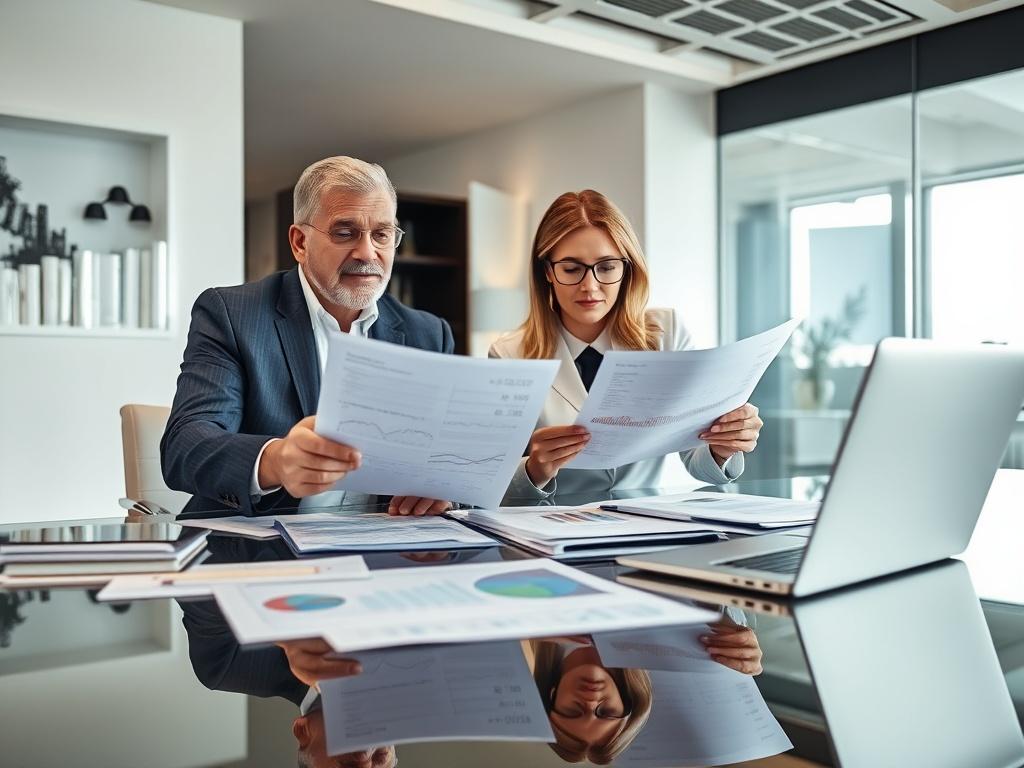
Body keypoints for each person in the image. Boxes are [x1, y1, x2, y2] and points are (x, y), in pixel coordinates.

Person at [161, 156, 452, 518]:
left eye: (382, 234)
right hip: (259, 551)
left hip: (388, 548)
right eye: (345, 233)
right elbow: (186, 445)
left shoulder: (427, 333)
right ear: (300, 242)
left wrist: (441, 492)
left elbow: (447, 463)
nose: (367, 253)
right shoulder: (232, 314)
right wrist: (277, 461)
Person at [490, 190, 763, 501]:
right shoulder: (509, 353)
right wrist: (535, 468)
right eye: (571, 268)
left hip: (645, 524)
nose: (589, 286)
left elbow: (697, 462)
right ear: (548, 272)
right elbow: (487, 480)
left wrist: (722, 446)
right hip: (552, 528)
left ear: (626, 269)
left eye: (606, 267)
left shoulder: (665, 332)